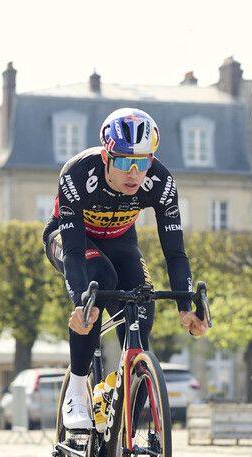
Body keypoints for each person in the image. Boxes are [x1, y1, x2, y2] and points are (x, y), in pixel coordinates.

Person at [43, 107, 208, 430]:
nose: (133, 172)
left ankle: (125, 434)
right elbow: (75, 252)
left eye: (142, 161)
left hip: (121, 241)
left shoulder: (160, 181)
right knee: (101, 278)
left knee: (142, 304)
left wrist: (185, 307)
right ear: (106, 157)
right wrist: (80, 304)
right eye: (122, 161)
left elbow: (175, 252)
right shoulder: (78, 174)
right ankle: (77, 389)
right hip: (72, 238)